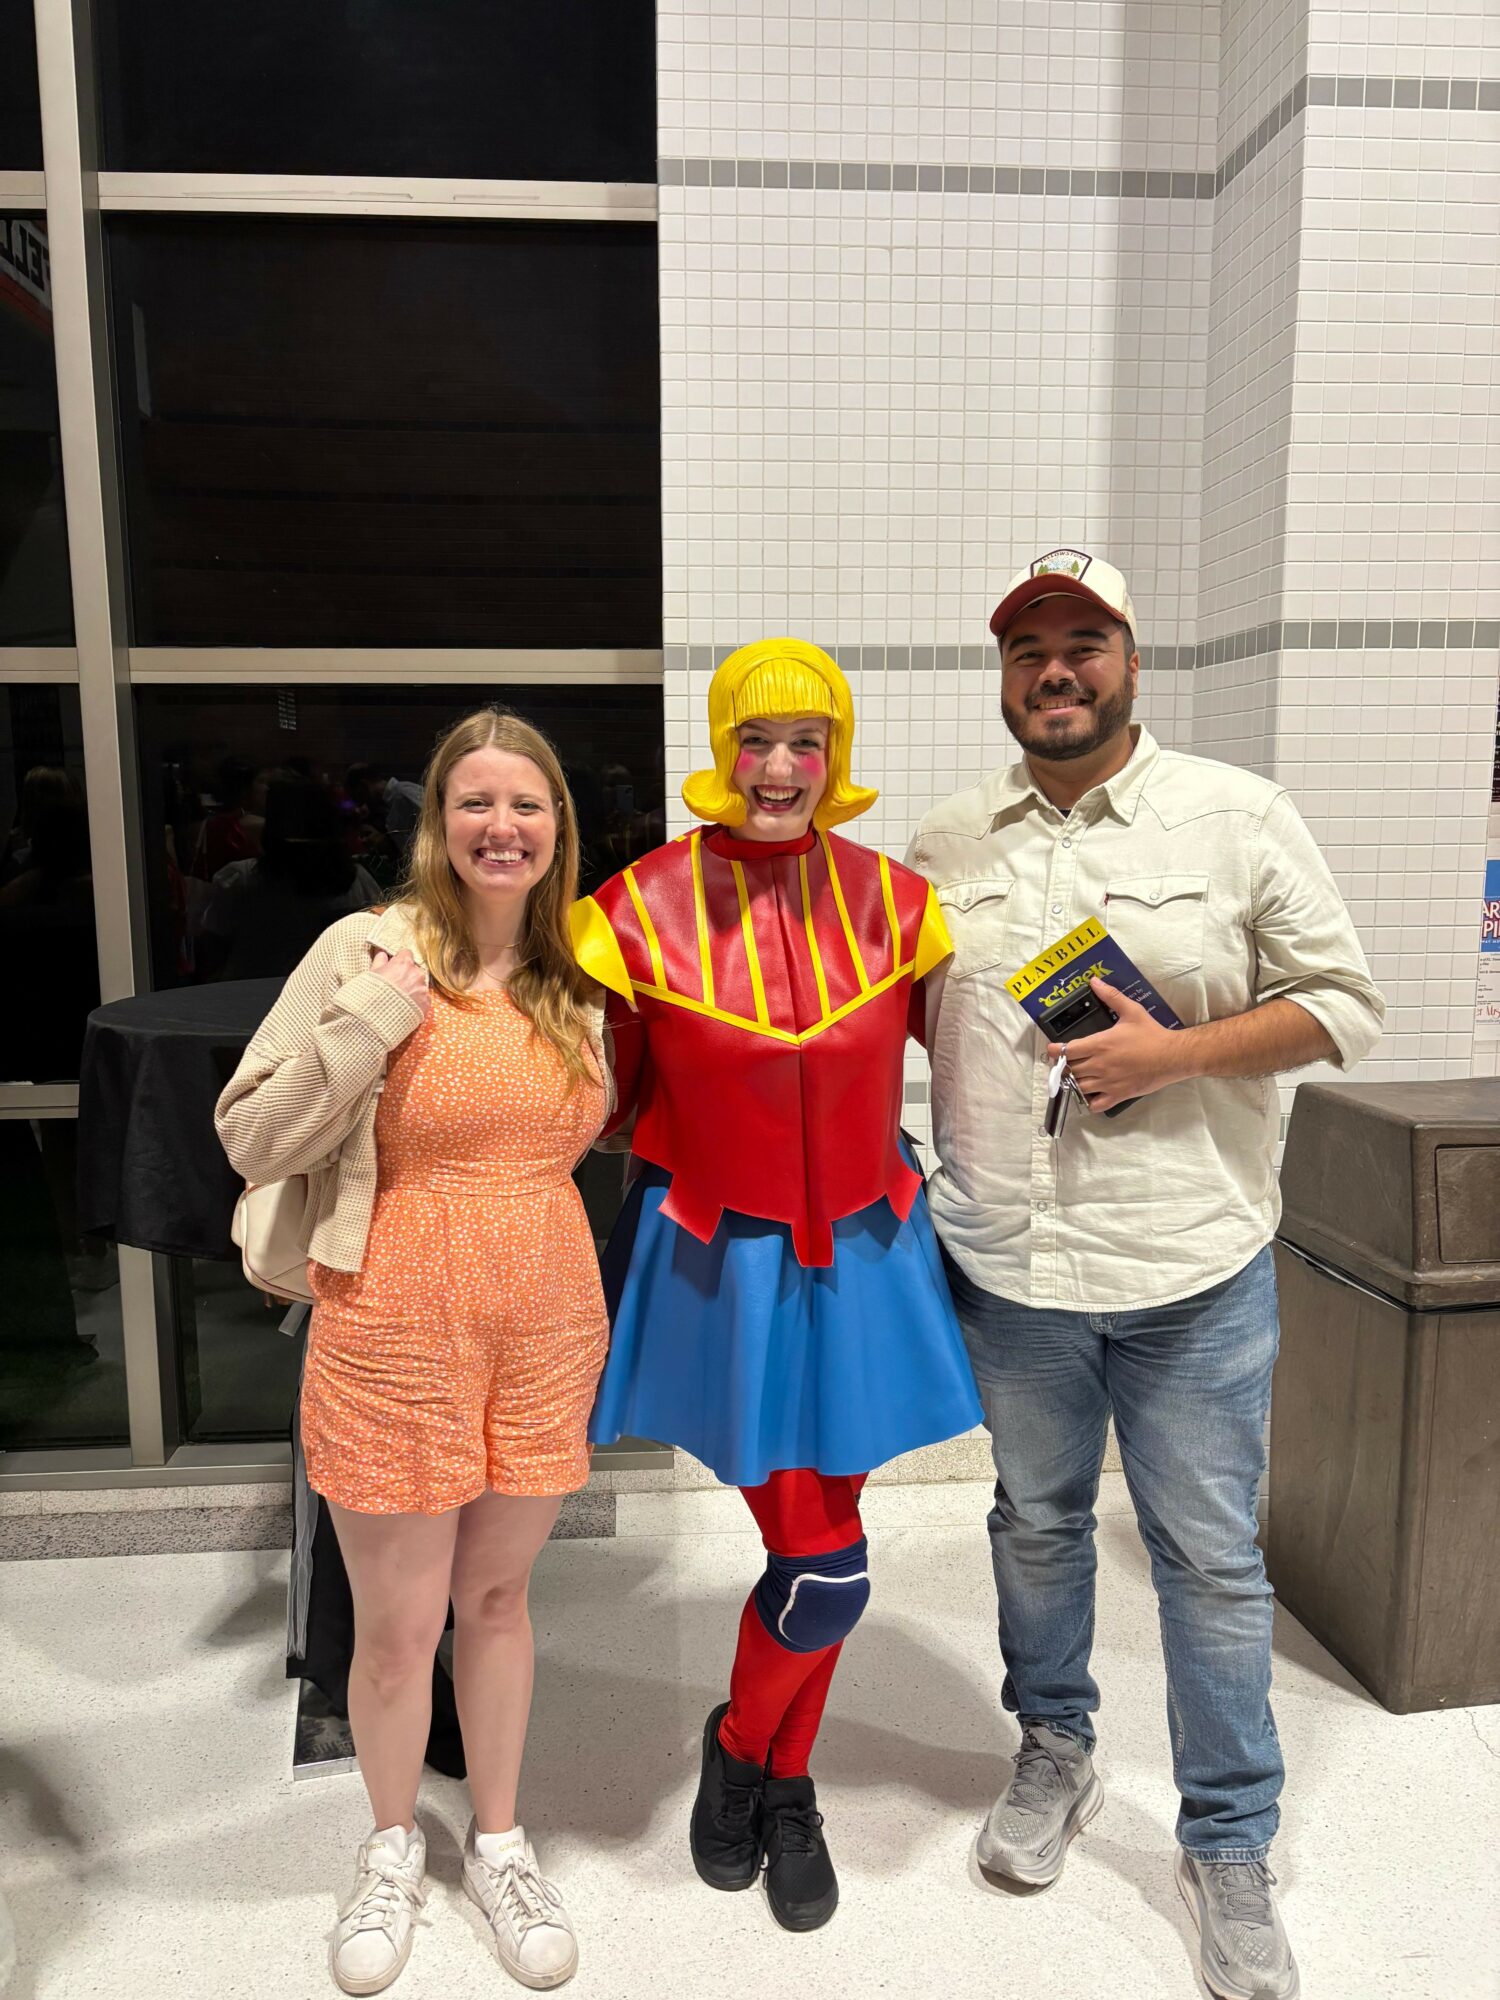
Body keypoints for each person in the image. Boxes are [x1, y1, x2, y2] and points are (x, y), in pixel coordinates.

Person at [908, 551, 1385, 2000]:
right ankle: (1054, 1750)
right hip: (1012, 1271)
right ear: (1003, 678)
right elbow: (922, 1035)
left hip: (1191, 1273)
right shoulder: (944, 846)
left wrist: (1174, 1054)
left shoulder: (1236, 817)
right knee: (1037, 1526)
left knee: (1211, 1563)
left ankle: (1229, 1837)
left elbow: (1346, 1005)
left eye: (1083, 643)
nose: (1056, 670)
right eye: (1029, 650)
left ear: (1130, 660)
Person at [573, 639, 982, 1933]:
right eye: (758, 740)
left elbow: (1016, 1053)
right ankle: (757, 1756)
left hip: (867, 1261)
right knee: (822, 1565)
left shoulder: (905, 906)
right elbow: (585, 1100)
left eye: (809, 741)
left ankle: (766, 1770)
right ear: (721, 750)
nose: (782, 766)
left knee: (832, 1559)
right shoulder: (633, 909)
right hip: (722, 1275)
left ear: (838, 759)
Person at [217, 710, 610, 1995]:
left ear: (559, 826)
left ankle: (496, 1839)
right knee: (394, 1626)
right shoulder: (367, 950)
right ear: (436, 821)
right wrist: (366, 1027)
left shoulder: (576, 968)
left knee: (497, 1601)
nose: (503, 826)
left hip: (545, 1315)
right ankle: (391, 1844)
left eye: (528, 805)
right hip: (391, 1316)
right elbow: (249, 1137)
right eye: (475, 803)